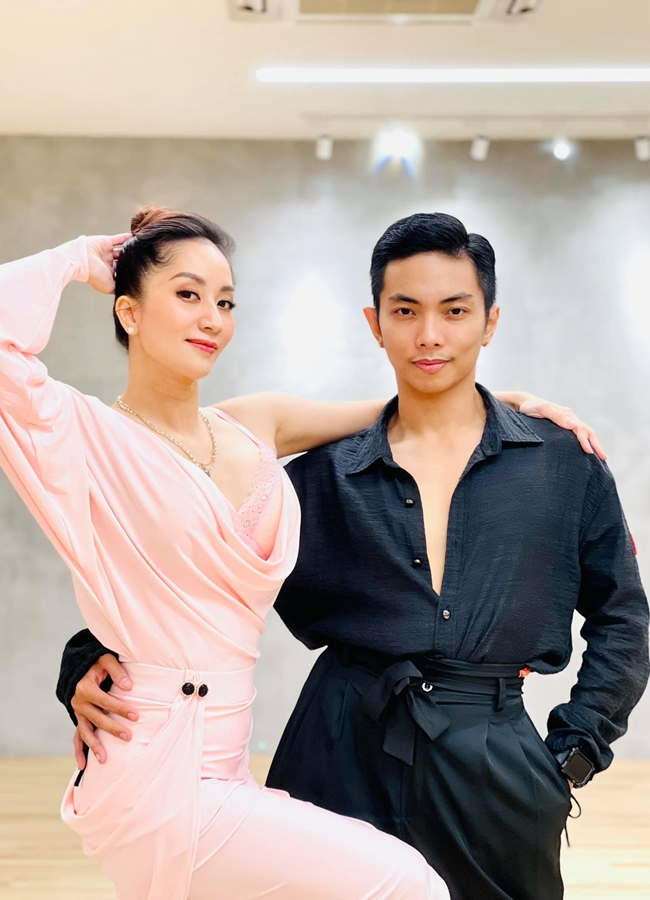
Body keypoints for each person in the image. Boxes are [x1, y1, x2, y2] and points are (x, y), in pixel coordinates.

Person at [55, 212, 634, 900]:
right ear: (375, 323)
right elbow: (186, 579)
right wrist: (85, 657)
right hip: (337, 753)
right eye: (405, 310)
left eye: (454, 310)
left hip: (495, 762)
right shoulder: (319, 478)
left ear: (490, 321)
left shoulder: (563, 463)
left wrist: (571, 754)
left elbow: (623, 617)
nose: (429, 335)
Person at [0, 207, 453, 900]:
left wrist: (506, 404)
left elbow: (401, 416)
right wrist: (80, 256)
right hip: (156, 770)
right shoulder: (82, 435)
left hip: (227, 756)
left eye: (225, 302)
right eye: (188, 294)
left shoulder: (251, 425)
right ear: (128, 310)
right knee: (409, 885)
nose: (212, 318)